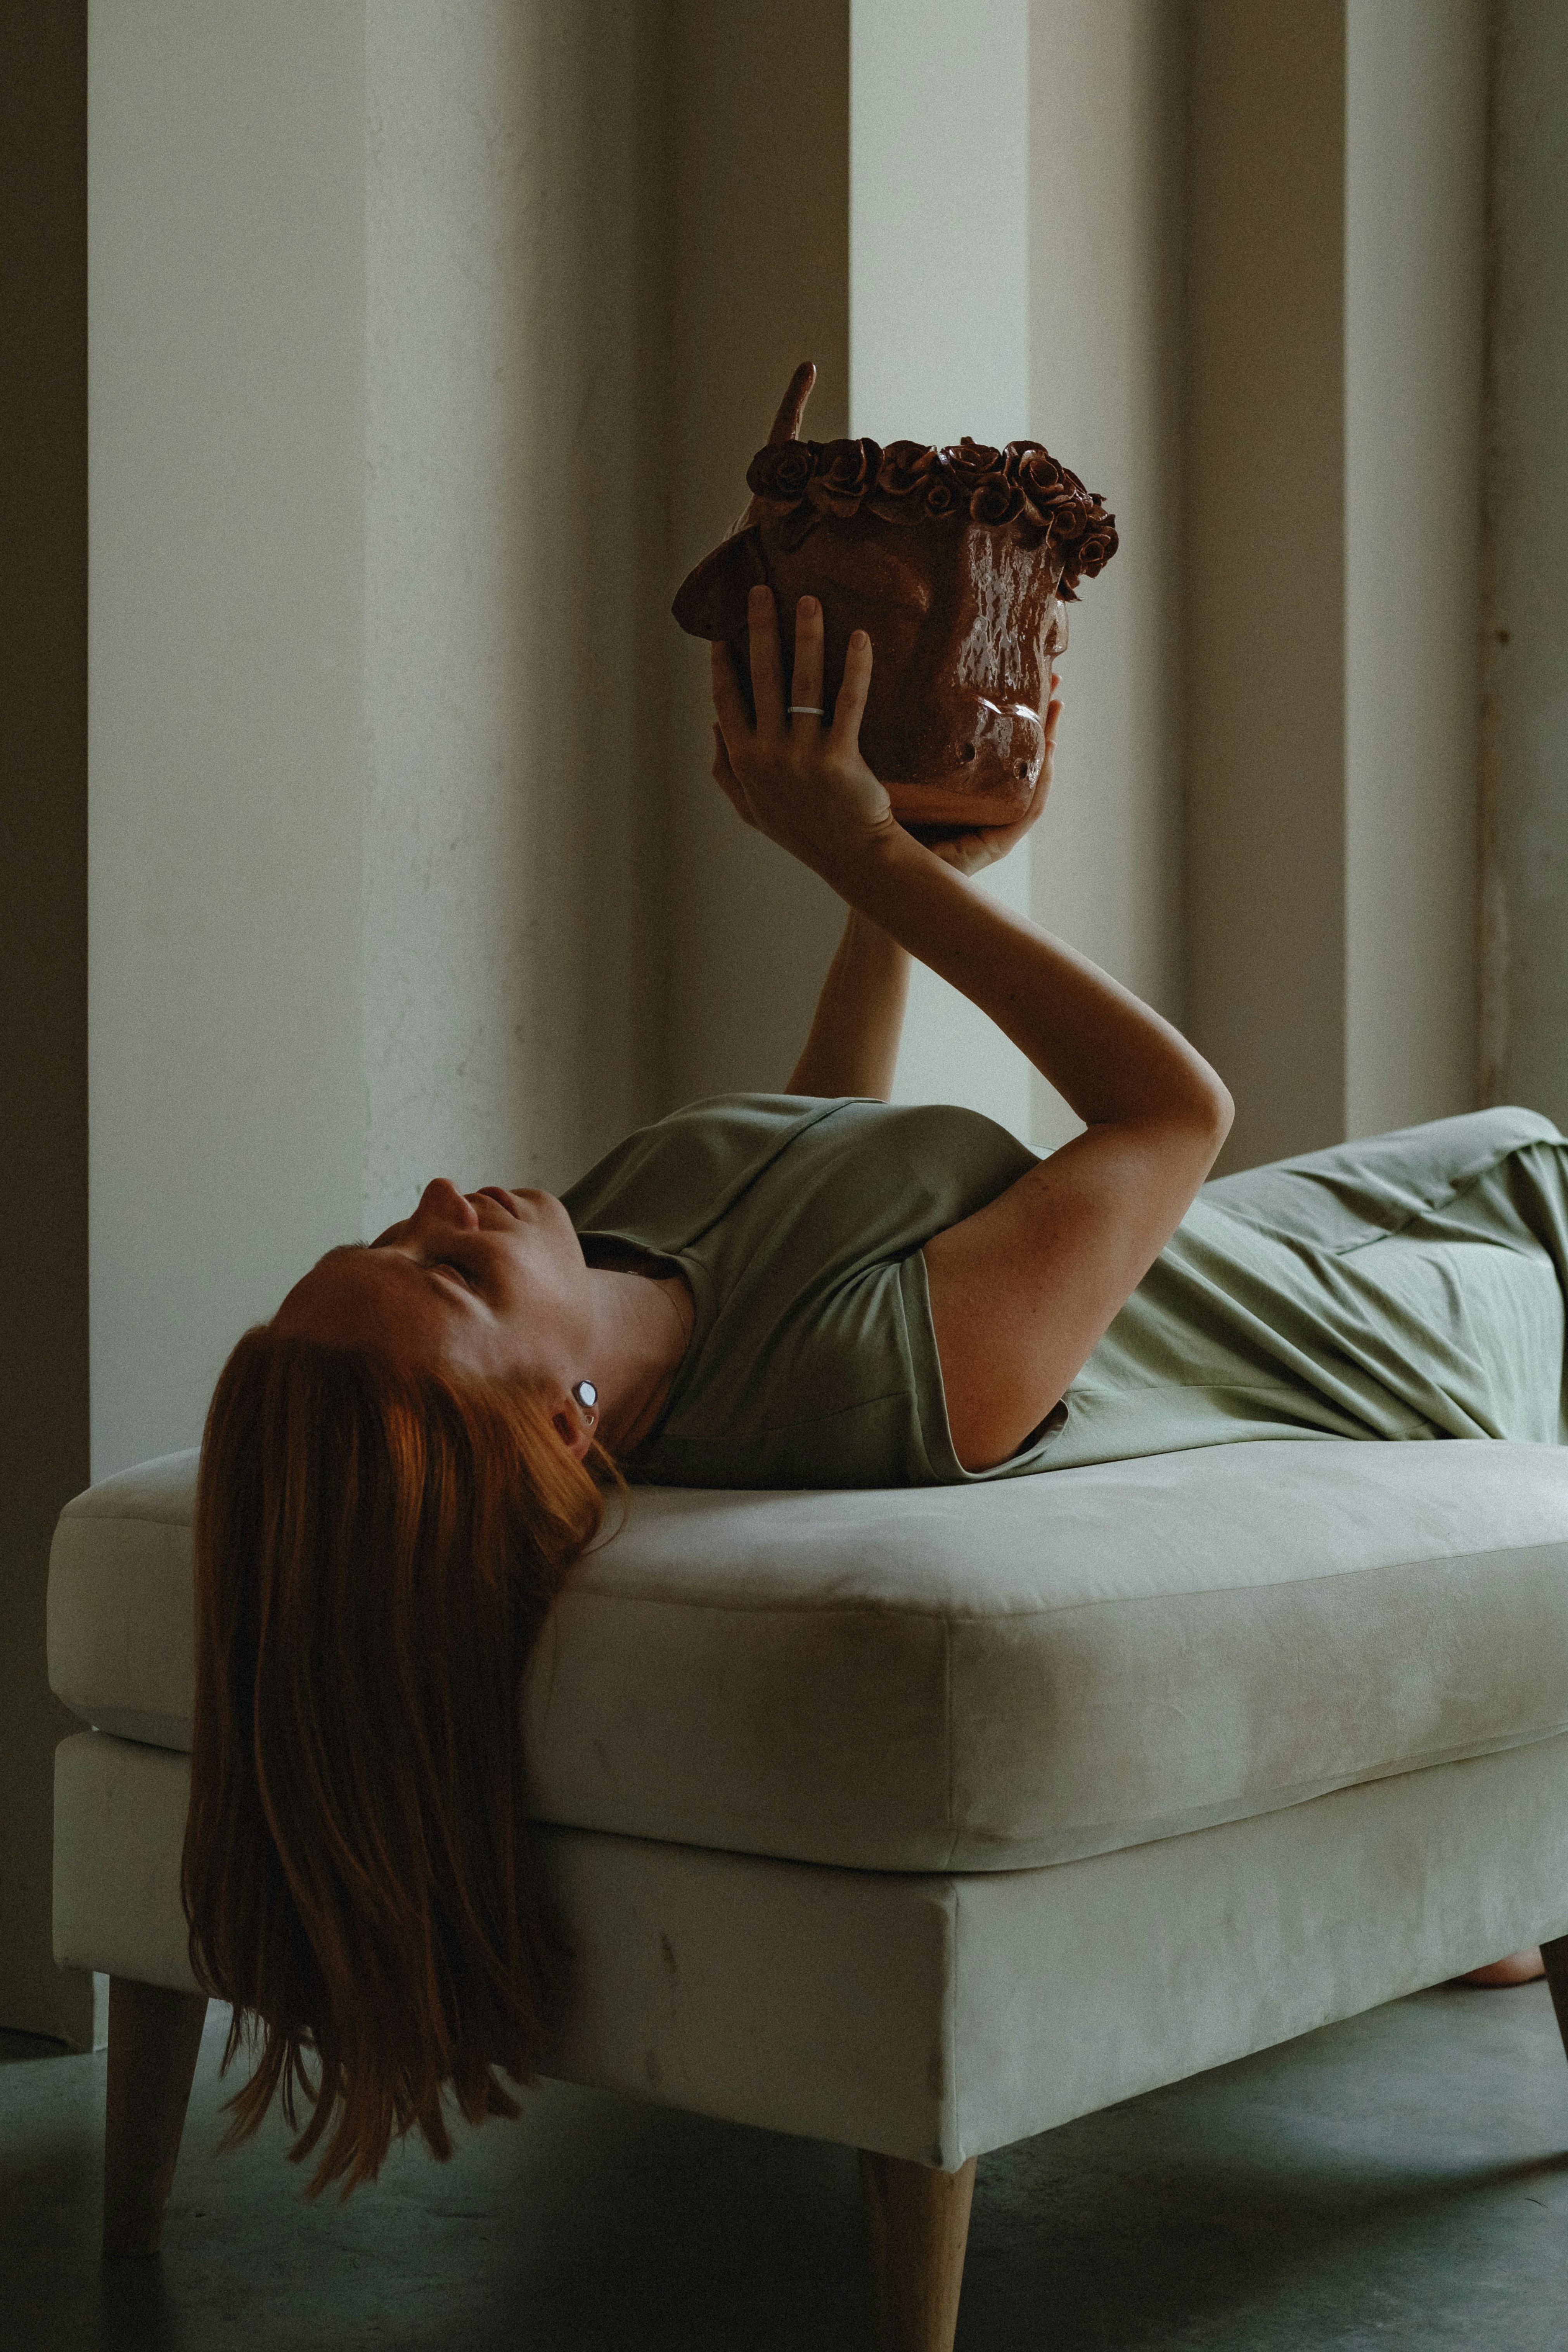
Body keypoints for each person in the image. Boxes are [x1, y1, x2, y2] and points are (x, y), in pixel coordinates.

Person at [183, 587, 1559, 2199]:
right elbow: (1170, 1113)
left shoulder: (612, 1239)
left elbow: (820, 1143)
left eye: (392, 1236)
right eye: (450, 1275)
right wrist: (866, 859)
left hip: (1285, 1230)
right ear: (560, 1420)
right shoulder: (856, 1394)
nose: (438, 1197)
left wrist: (910, 873)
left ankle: (1491, 1903)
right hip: (1437, 1316)